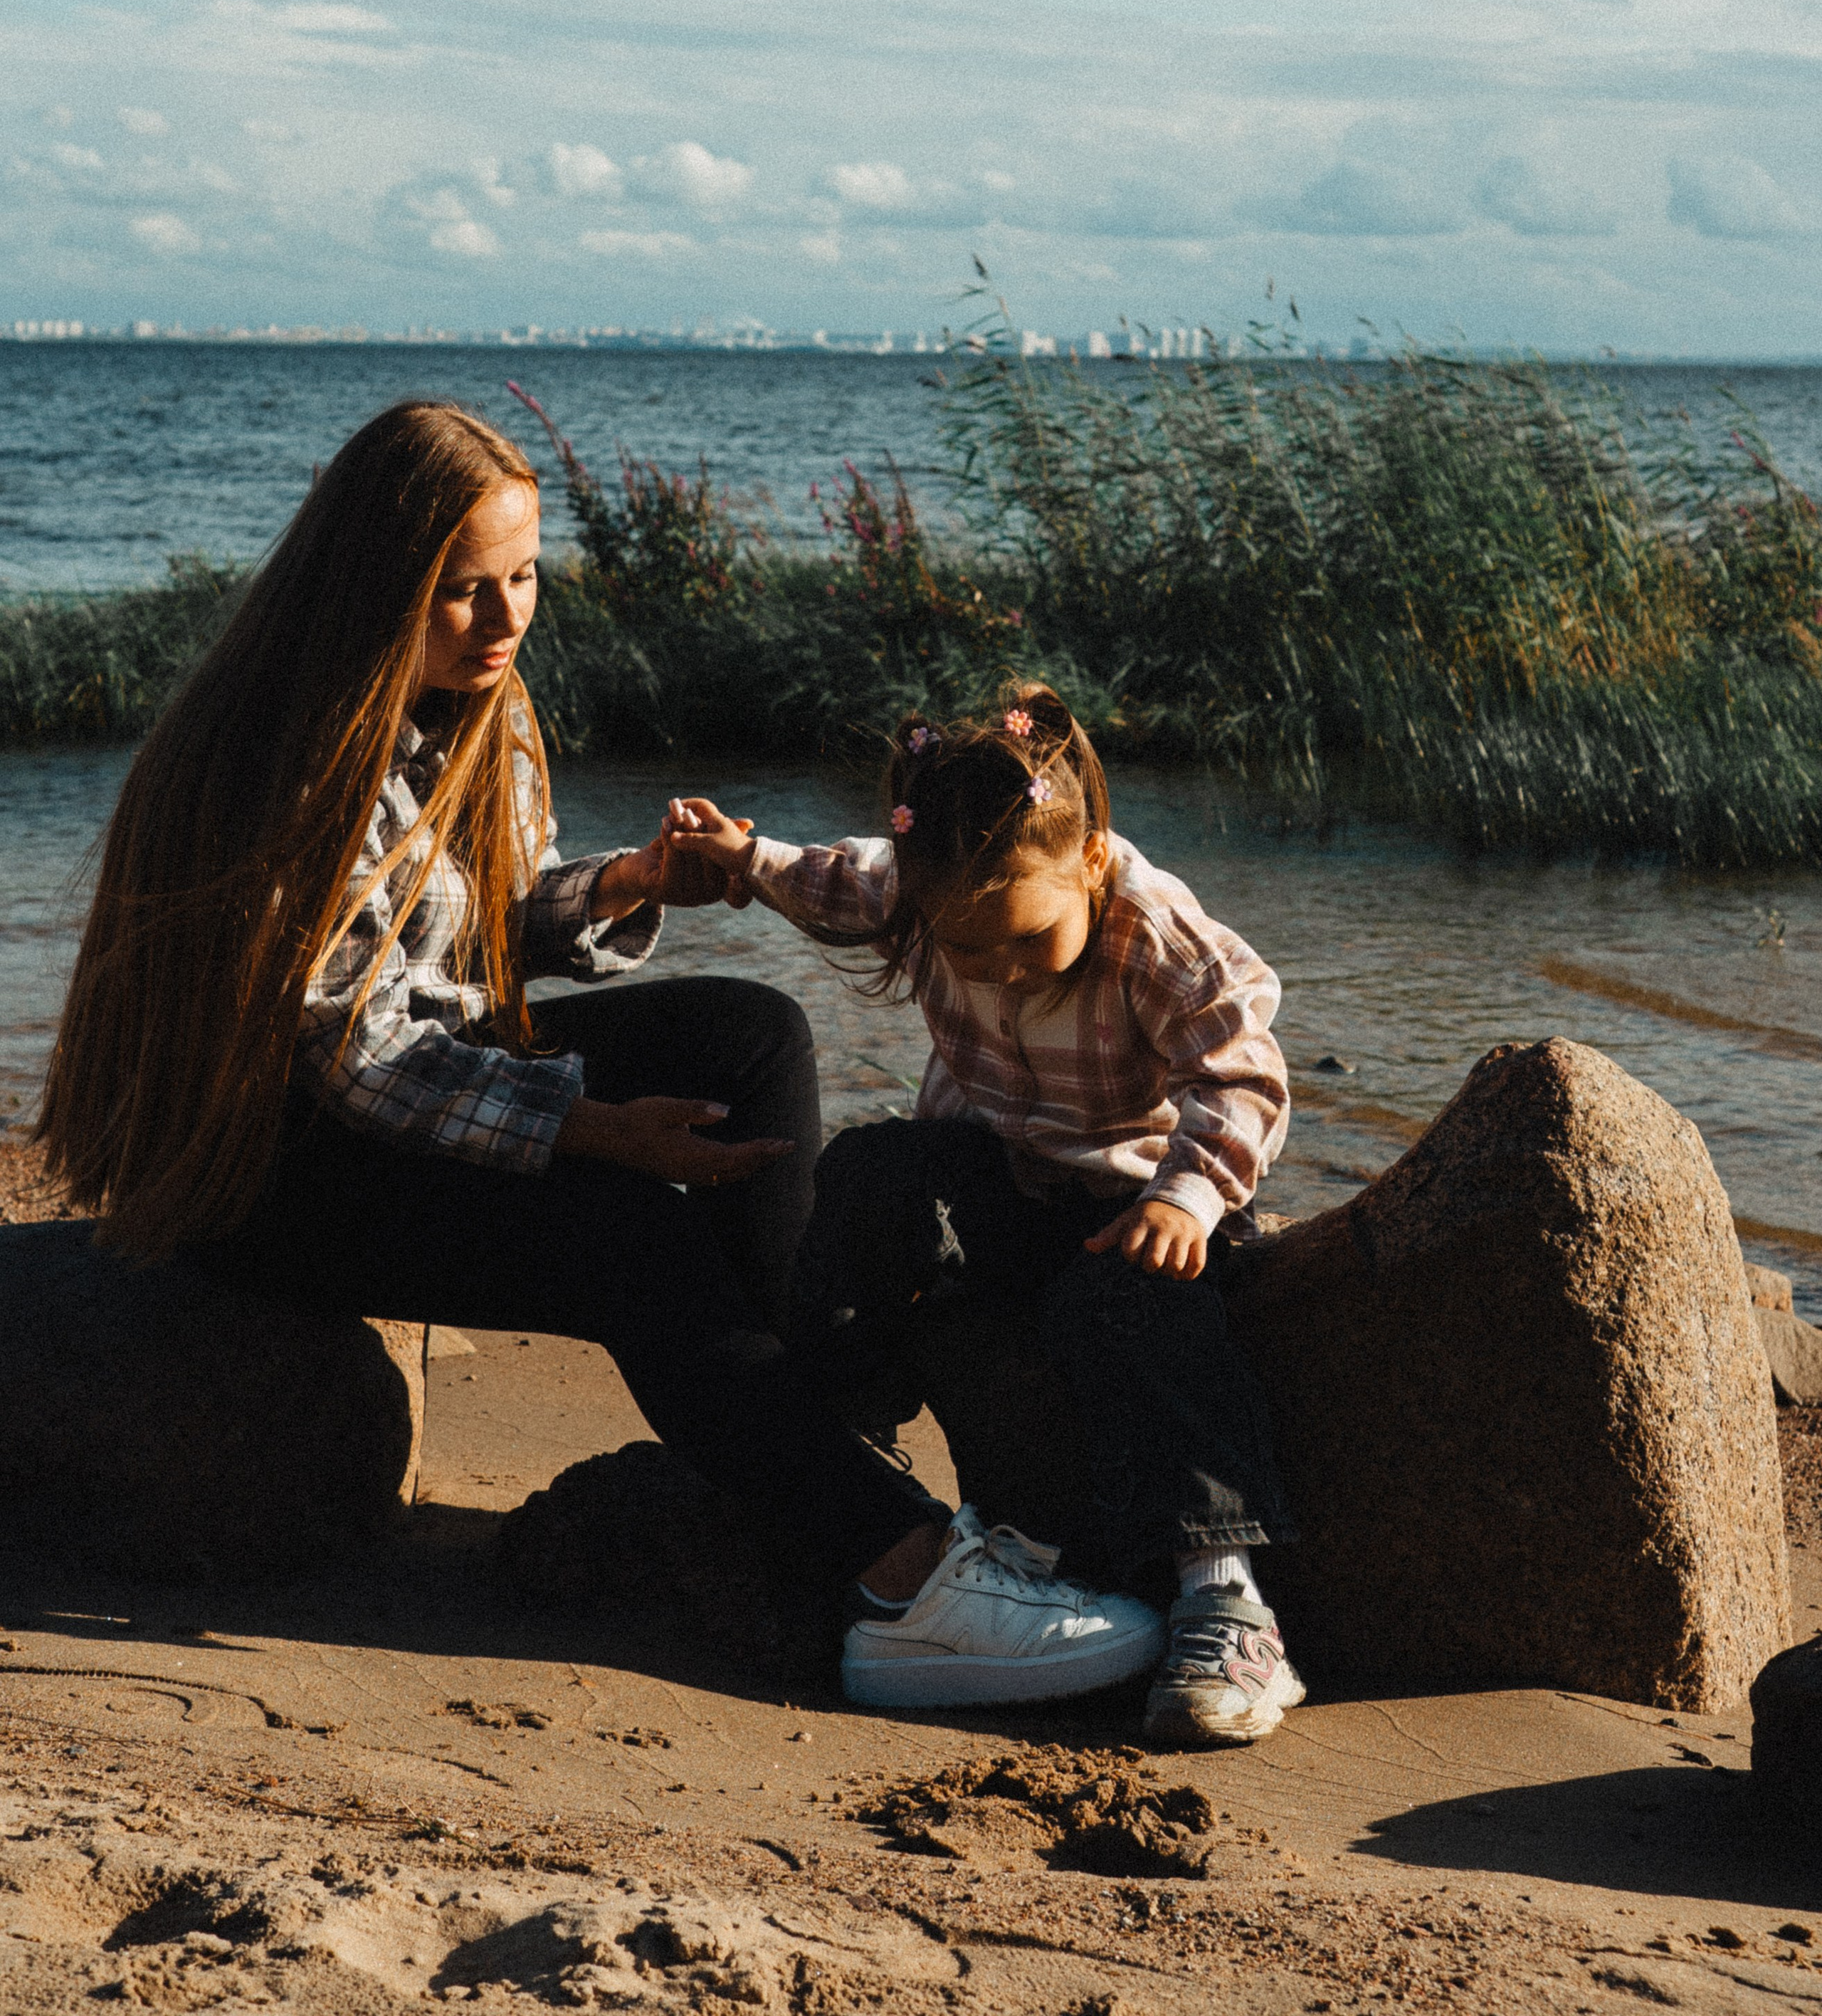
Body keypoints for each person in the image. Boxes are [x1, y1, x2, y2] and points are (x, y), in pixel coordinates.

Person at [36, 401, 1158, 1708]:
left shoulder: (474, 705)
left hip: (391, 1077)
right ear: (375, 585)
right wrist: (588, 1126)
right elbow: (358, 1052)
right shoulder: (289, 755)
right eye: (464, 589)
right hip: (255, 1162)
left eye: (523, 577)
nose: (505, 617)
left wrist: (629, 883)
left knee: (753, 1033)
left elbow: (470, 932)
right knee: (622, 1226)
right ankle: (902, 1575)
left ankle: (815, 1446)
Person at [664, 683, 1304, 1744]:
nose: (999, 968)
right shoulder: (931, 889)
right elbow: (842, 881)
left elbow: (1244, 1077)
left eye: (1026, 940)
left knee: (1137, 1305)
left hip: (1134, 1205)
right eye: (966, 950)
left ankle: (1225, 1600)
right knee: (868, 1170)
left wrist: (1188, 1196)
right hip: (998, 1181)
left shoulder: (1154, 935)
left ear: (1089, 862)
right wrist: (745, 858)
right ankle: (840, 1430)